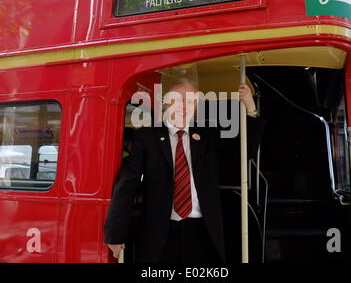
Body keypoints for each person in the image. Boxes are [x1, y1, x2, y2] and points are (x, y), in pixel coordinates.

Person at [104, 78, 265, 263]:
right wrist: (115, 234)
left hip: (202, 232)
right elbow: (127, 185)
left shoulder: (208, 135)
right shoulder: (147, 137)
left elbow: (245, 151)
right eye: (179, 99)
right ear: (167, 102)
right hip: (160, 233)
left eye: (190, 101)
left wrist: (251, 110)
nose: (184, 106)